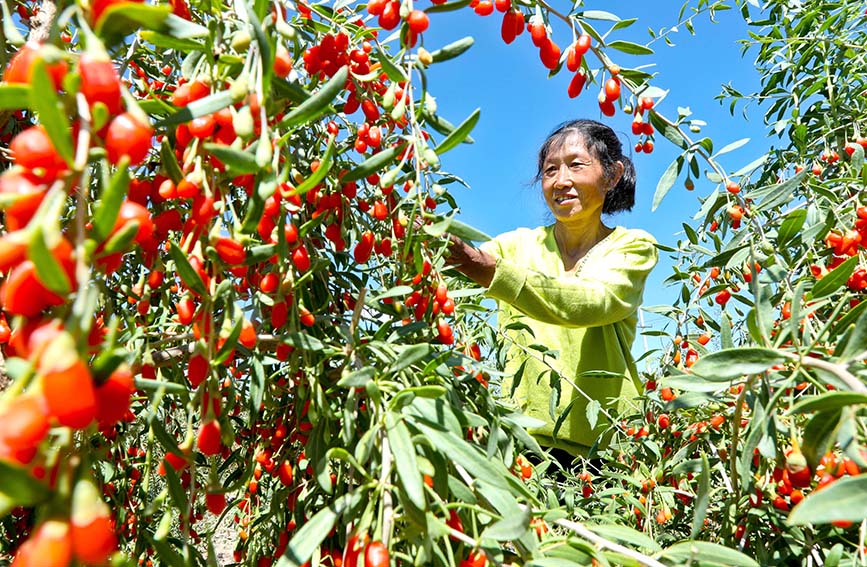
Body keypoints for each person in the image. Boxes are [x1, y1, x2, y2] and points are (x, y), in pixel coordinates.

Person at [448, 119, 658, 462]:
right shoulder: (513, 246)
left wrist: (487, 271)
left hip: (606, 452)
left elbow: (592, 302)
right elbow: (444, 276)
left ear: (612, 175)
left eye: (576, 165)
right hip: (522, 444)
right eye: (550, 171)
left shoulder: (632, 247)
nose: (561, 181)